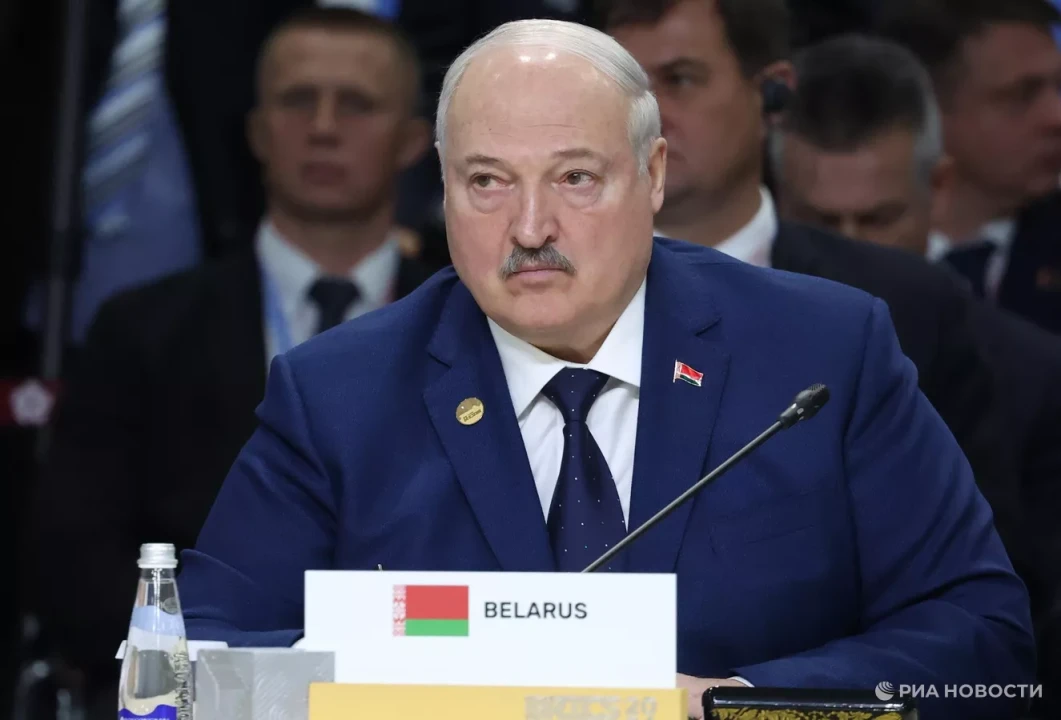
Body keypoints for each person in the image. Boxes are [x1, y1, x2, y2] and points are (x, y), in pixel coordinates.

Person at [177, 18, 1033, 720]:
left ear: (651, 175)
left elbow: (982, 642)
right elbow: (195, 664)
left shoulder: (820, 355)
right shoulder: (338, 395)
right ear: (441, 185)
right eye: (487, 182)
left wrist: (737, 705)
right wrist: (421, 690)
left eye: (575, 178)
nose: (529, 227)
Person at [24, 8, 433, 716]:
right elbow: (74, 563)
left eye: (357, 104)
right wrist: (224, 673)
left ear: (413, 141)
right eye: (297, 100)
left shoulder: (471, 324)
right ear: (256, 131)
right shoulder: (142, 328)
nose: (323, 127)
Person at [596, 0, 1009, 544]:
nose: (647, 116)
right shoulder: (533, 293)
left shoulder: (909, 305)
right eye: (624, 89)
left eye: (680, 80)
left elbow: (970, 561)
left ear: (774, 93)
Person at [770, 32, 1061, 717]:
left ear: (939, 190)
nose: (847, 250)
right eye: (821, 222)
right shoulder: (715, 351)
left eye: (877, 219)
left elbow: (1013, 636)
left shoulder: (1032, 378)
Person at [878, 0, 1061, 335]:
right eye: (1023, 95)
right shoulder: (848, 240)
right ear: (930, 108)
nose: (1056, 117)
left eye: (1060, 88)